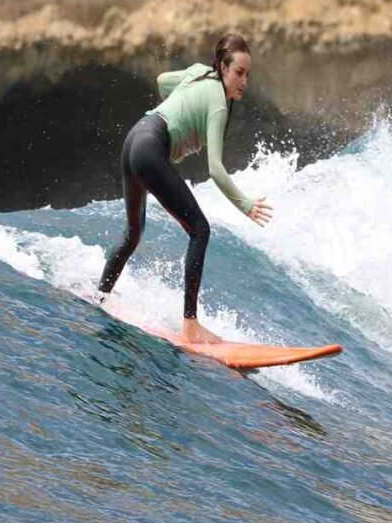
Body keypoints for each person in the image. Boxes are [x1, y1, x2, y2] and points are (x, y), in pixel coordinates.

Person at [97, 33, 273, 344]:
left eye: (247, 74)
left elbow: (162, 80)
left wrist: (183, 102)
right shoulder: (218, 103)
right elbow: (216, 169)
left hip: (135, 138)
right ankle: (190, 325)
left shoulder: (196, 72)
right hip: (151, 149)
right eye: (239, 73)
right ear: (222, 67)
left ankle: (100, 295)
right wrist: (245, 204)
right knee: (200, 230)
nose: (244, 81)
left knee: (133, 233)